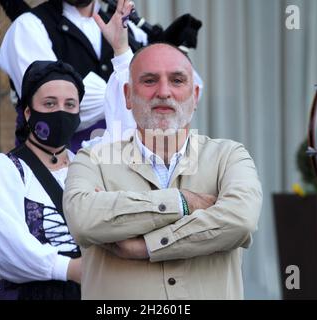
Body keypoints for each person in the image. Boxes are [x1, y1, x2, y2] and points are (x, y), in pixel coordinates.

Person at [63, 42, 263, 299]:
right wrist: (182, 202)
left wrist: (146, 246)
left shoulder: (229, 156)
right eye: (149, 81)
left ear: (196, 96)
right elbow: (83, 221)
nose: (164, 92)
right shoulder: (93, 160)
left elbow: (241, 221)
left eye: (177, 80)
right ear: (127, 95)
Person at [0, 0, 203, 151]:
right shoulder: (28, 27)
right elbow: (67, 104)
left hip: (129, 168)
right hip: (58, 169)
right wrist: (140, 89)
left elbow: (190, 90)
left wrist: (165, 52)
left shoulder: (126, 25)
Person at [0, 60, 85, 300]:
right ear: (28, 112)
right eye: (49, 103)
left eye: (69, 104)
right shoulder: (2, 169)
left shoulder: (88, 166)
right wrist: (71, 269)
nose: (60, 112)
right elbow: (5, 246)